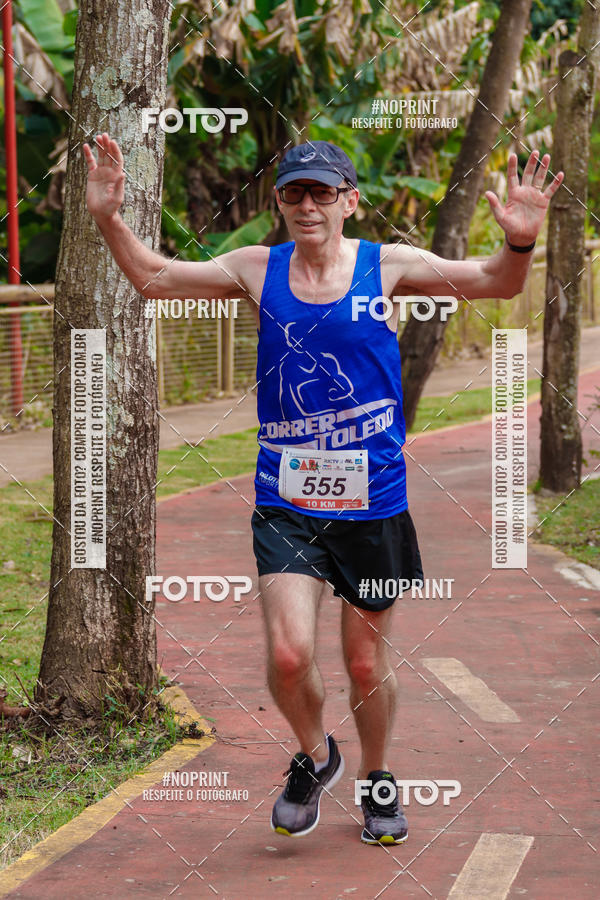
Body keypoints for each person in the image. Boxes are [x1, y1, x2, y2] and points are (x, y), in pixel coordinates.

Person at [84, 134, 563, 844]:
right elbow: (155, 279)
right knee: (288, 655)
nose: (307, 205)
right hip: (287, 500)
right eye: (294, 193)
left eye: (322, 192)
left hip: (374, 501)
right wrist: (108, 219)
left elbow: (499, 281)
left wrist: (520, 240)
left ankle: (377, 778)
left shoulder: (387, 266)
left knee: (365, 662)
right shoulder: (256, 267)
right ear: (279, 202)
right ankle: (316, 756)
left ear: (349, 201)